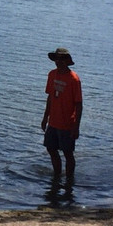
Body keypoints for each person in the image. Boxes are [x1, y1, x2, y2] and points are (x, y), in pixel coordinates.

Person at [41, 47, 82, 183]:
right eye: (56, 59)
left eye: (61, 59)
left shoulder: (74, 79)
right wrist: (45, 117)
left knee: (67, 153)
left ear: (67, 61)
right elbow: (50, 97)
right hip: (53, 121)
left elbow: (79, 104)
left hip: (67, 123)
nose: (58, 62)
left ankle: (70, 180)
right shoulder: (52, 74)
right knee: (51, 149)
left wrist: (76, 127)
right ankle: (57, 175)